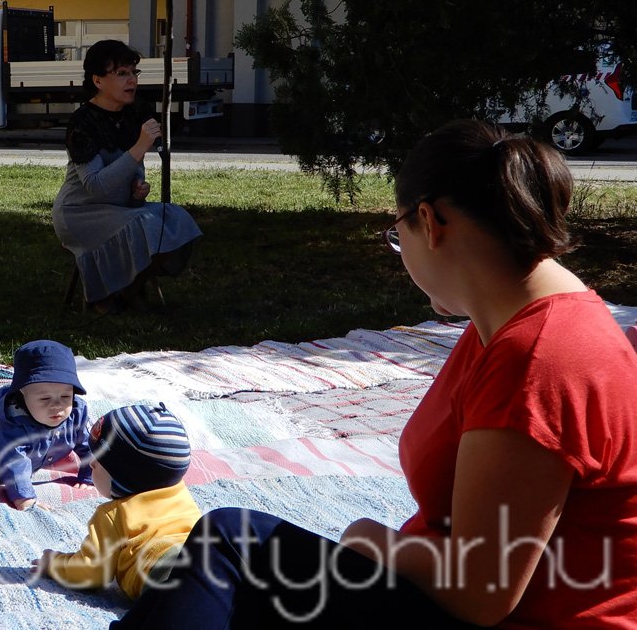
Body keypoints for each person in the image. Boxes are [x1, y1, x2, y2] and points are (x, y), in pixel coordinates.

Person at [113, 120, 637, 628]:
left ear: (430, 223)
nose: (399, 249)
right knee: (227, 574)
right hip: (453, 599)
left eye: (396, 233)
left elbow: (482, 591)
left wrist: (372, 540)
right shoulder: (506, 322)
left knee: (231, 542)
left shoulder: (539, 357)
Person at [52, 40, 201, 314]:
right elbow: (96, 187)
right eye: (121, 73)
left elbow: (135, 168)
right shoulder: (83, 122)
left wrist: (137, 187)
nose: (131, 80)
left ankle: (124, 292)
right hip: (81, 213)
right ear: (98, 80)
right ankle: (108, 295)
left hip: (120, 208)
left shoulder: (133, 114)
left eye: (134, 73)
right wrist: (139, 147)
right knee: (147, 224)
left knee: (177, 219)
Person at [31, 403, 201, 600]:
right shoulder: (180, 492)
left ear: (125, 476)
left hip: (163, 571)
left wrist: (55, 564)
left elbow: (90, 572)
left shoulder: (114, 514)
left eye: (99, 462)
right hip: (206, 554)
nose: (91, 463)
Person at [0, 339, 92, 510]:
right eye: (44, 398)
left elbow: (89, 447)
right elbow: (14, 462)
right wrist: (24, 498)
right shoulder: (14, 422)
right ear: (22, 394)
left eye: (65, 397)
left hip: (35, 454)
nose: (56, 405)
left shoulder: (76, 414)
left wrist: (89, 476)